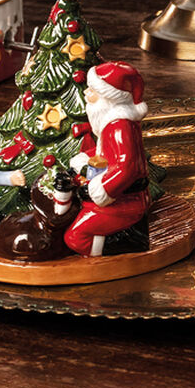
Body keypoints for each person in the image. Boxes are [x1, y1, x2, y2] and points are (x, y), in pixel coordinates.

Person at [64, 61, 152, 257]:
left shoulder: (120, 126)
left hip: (125, 202)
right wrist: (83, 160)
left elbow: (127, 167)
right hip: (118, 197)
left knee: (75, 237)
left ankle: (129, 243)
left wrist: (100, 189)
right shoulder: (112, 123)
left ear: (110, 97)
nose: (86, 93)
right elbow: (106, 152)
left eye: (93, 90)